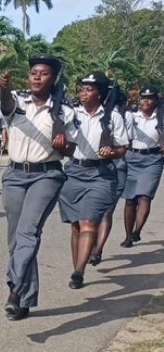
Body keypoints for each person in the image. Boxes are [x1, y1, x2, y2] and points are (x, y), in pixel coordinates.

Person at [0, 54, 78, 321]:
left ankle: (13, 290)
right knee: (16, 240)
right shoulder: (18, 103)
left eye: (43, 73)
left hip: (46, 176)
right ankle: (24, 298)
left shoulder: (64, 112)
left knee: (28, 234)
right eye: (33, 72)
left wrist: (62, 145)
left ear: (53, 79)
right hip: (15, 174)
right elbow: (6, 104)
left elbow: (71, 149)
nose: (36, 76)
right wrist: (3, 88)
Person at [57, 71, 128, 290]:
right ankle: (77, 264)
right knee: (76, 226)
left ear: (100, 93)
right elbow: (62, 137)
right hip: (74, 172)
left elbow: (123, 147)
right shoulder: (71, 113)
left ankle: (78, 272)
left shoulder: (113, 117)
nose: (84, 93)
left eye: (90, 89)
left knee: (89, 221)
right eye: (82, 89)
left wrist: (112, 152)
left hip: (100, 174)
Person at [120, 86, 163, 248]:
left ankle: (138, 230)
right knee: (130, 200)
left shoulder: (161, 118)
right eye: (143, 97)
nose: (146, 100)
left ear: (156, 100)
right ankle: (128, 236)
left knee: (144, 196)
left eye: (150, 98)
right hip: (131, 158)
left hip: (153, 159)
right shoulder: (131, 116)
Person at [90, 88, 129, 264]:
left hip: (114, 167)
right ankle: (94, 248)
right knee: (102, 212)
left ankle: (97, 250)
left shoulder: (118, 117)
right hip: (94, 168)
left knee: (105, 210)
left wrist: (111, 151)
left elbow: (124, 145)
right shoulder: (88, 115)